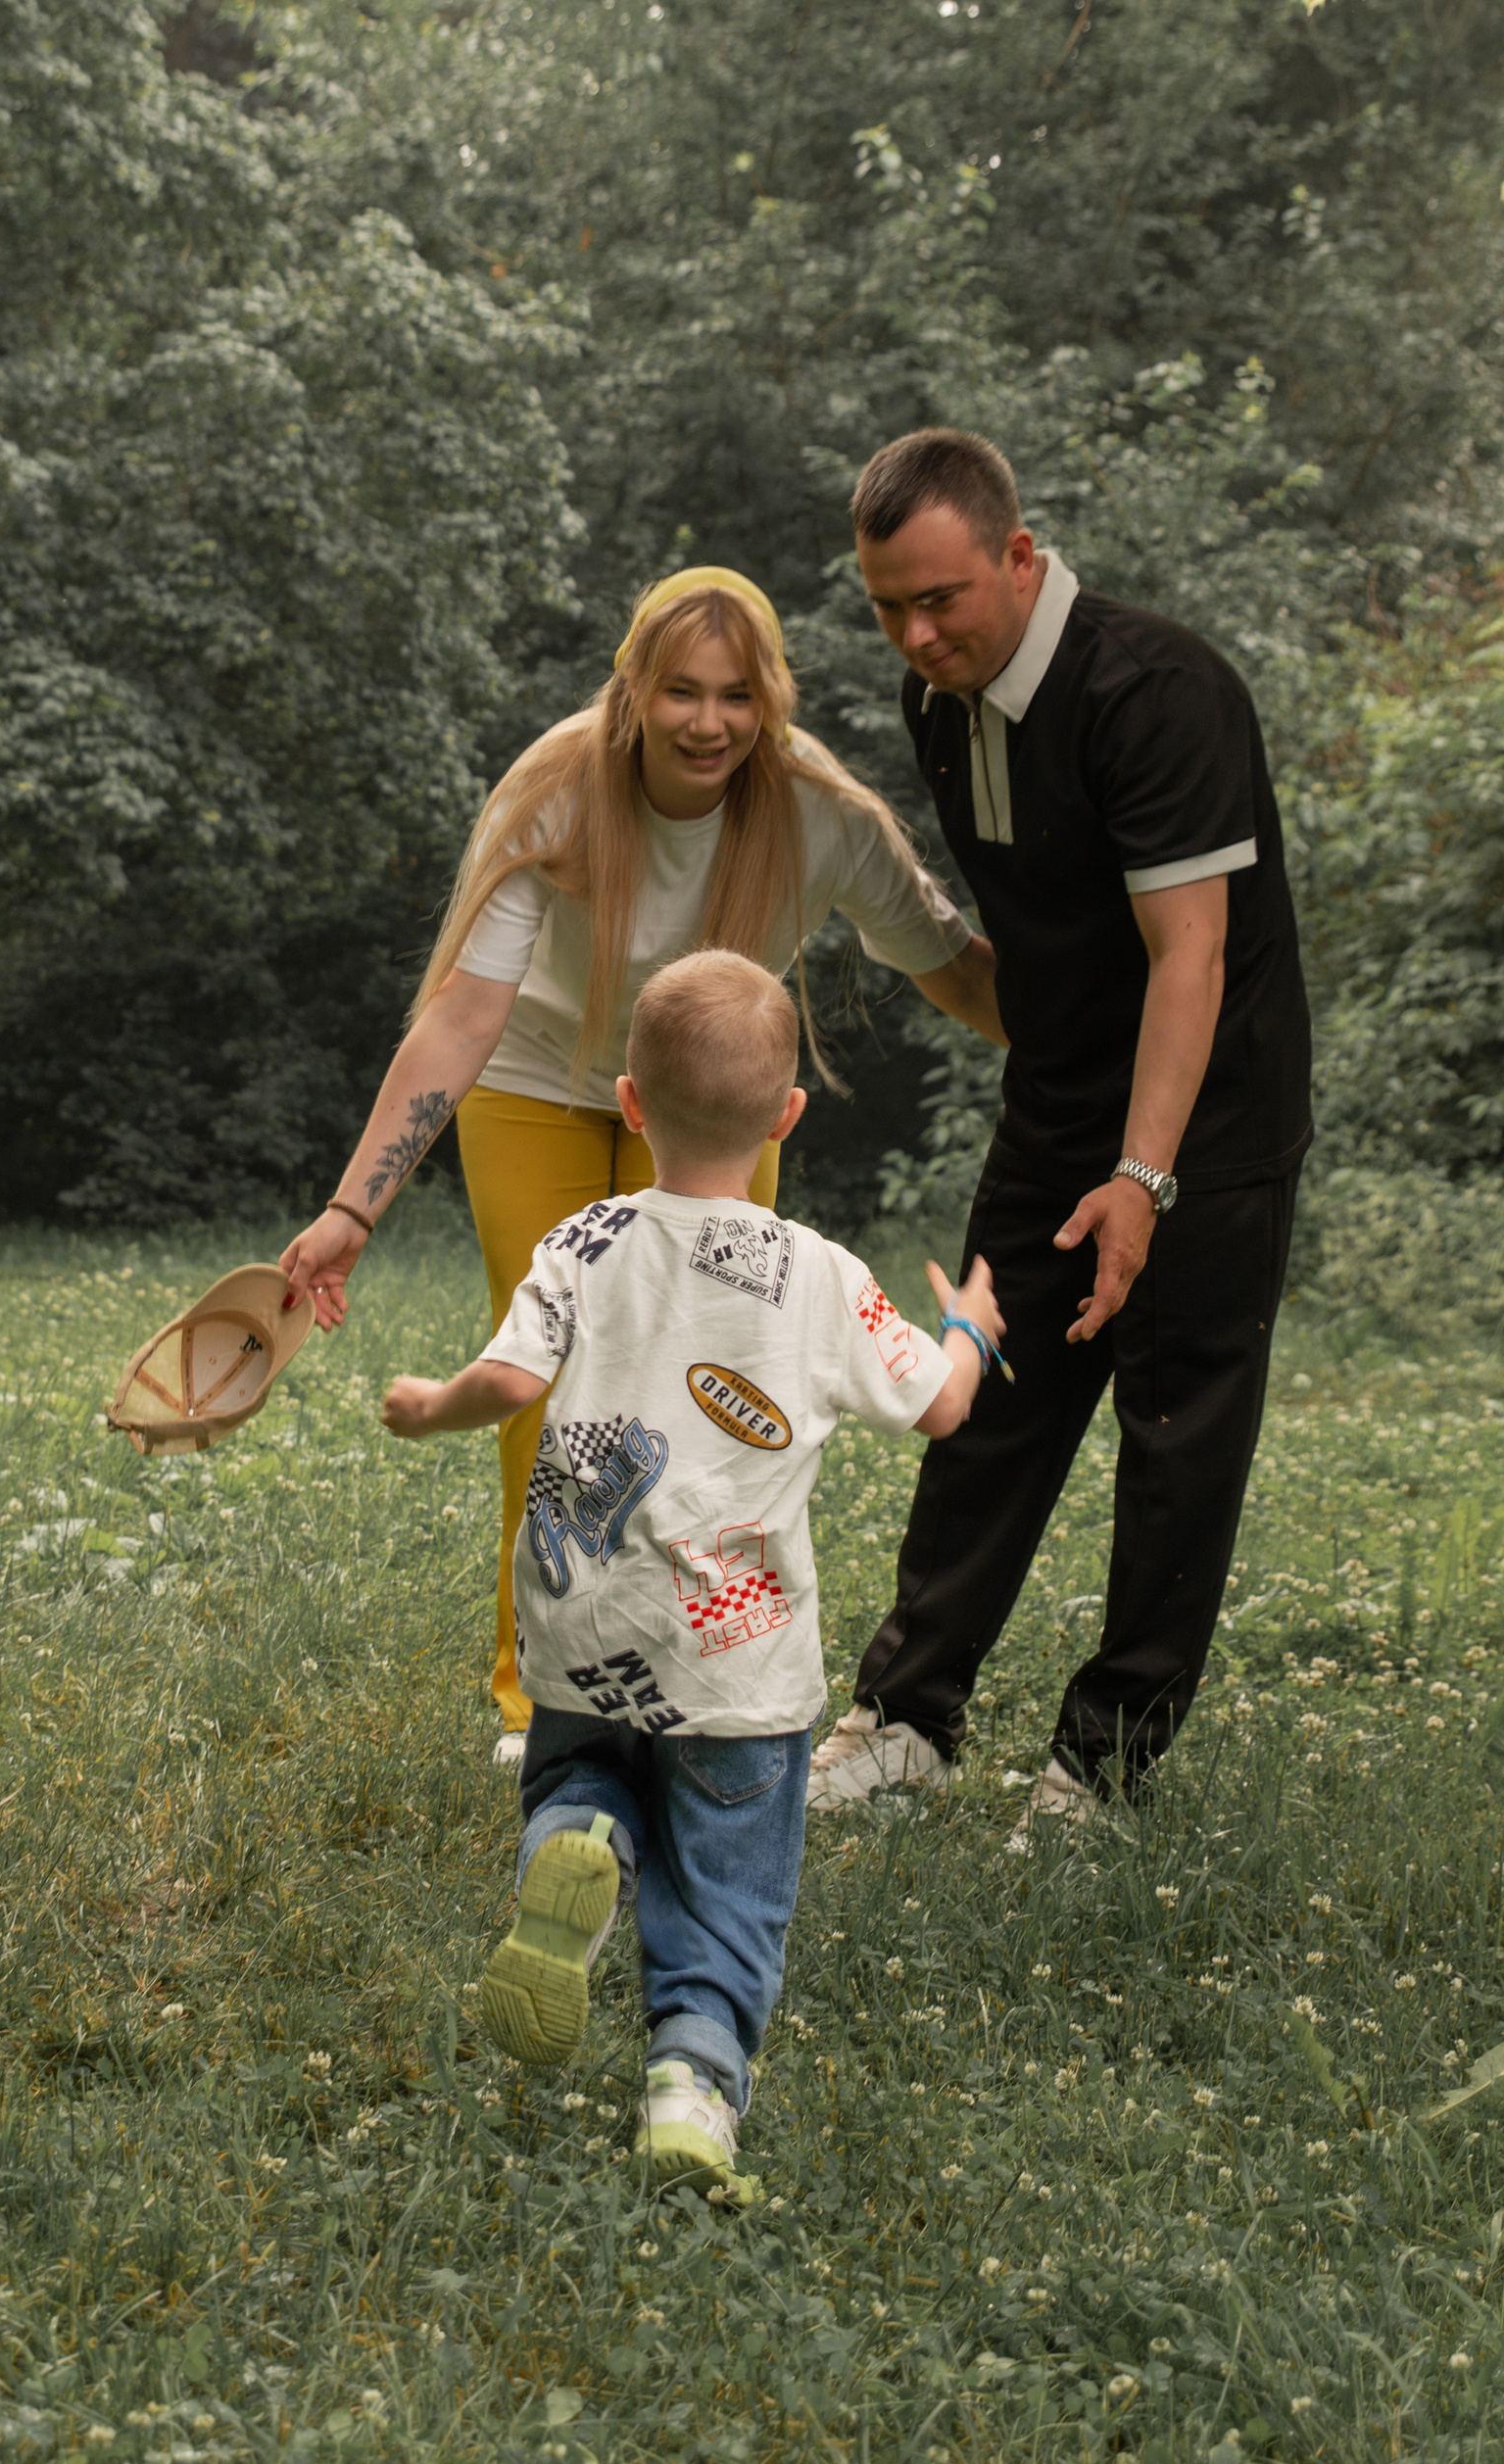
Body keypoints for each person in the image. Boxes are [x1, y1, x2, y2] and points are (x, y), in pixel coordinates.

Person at [279, 566, 1001, 1766]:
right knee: (552, 1378)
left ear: (770, 700)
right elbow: (461, 1014)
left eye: (736, 695)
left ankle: (688, 1674)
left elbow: (954, 963)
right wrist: (353, 1209)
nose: (708, 722)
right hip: (535, 1083)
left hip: (709, 1109)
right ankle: (544, 1699)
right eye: (680, 691)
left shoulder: (820, 812)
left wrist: (1109, 1055)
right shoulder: (554, 792)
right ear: (632, 691)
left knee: (720, 1386)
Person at [378, 952, 1005, 2192]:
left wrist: (429, 1406)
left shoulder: (584, 1237)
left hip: (581, 1625)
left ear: (629, 1103)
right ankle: (691, 2086)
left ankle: (580, 1838)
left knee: (584, 1770)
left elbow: (506, 1379)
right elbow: (941, 1407)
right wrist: (971, 1328)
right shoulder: (820, 1272)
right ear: (787, 1117)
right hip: (737, 1663)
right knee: (728, 1888)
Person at [808, 429, 1312, 1816]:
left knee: (1175, 1439)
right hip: (1058, 1105)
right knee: (984, 1401)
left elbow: (1188, 954)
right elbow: (1038, 942)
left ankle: (1101, 1765)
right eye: (888, 608)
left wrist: (1143, 1176)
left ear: (1019, 557)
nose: (916, 636)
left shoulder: (1157, 693)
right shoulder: (940, 704)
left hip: (1207, 1118)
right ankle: (905, 1721)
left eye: (941, 599)